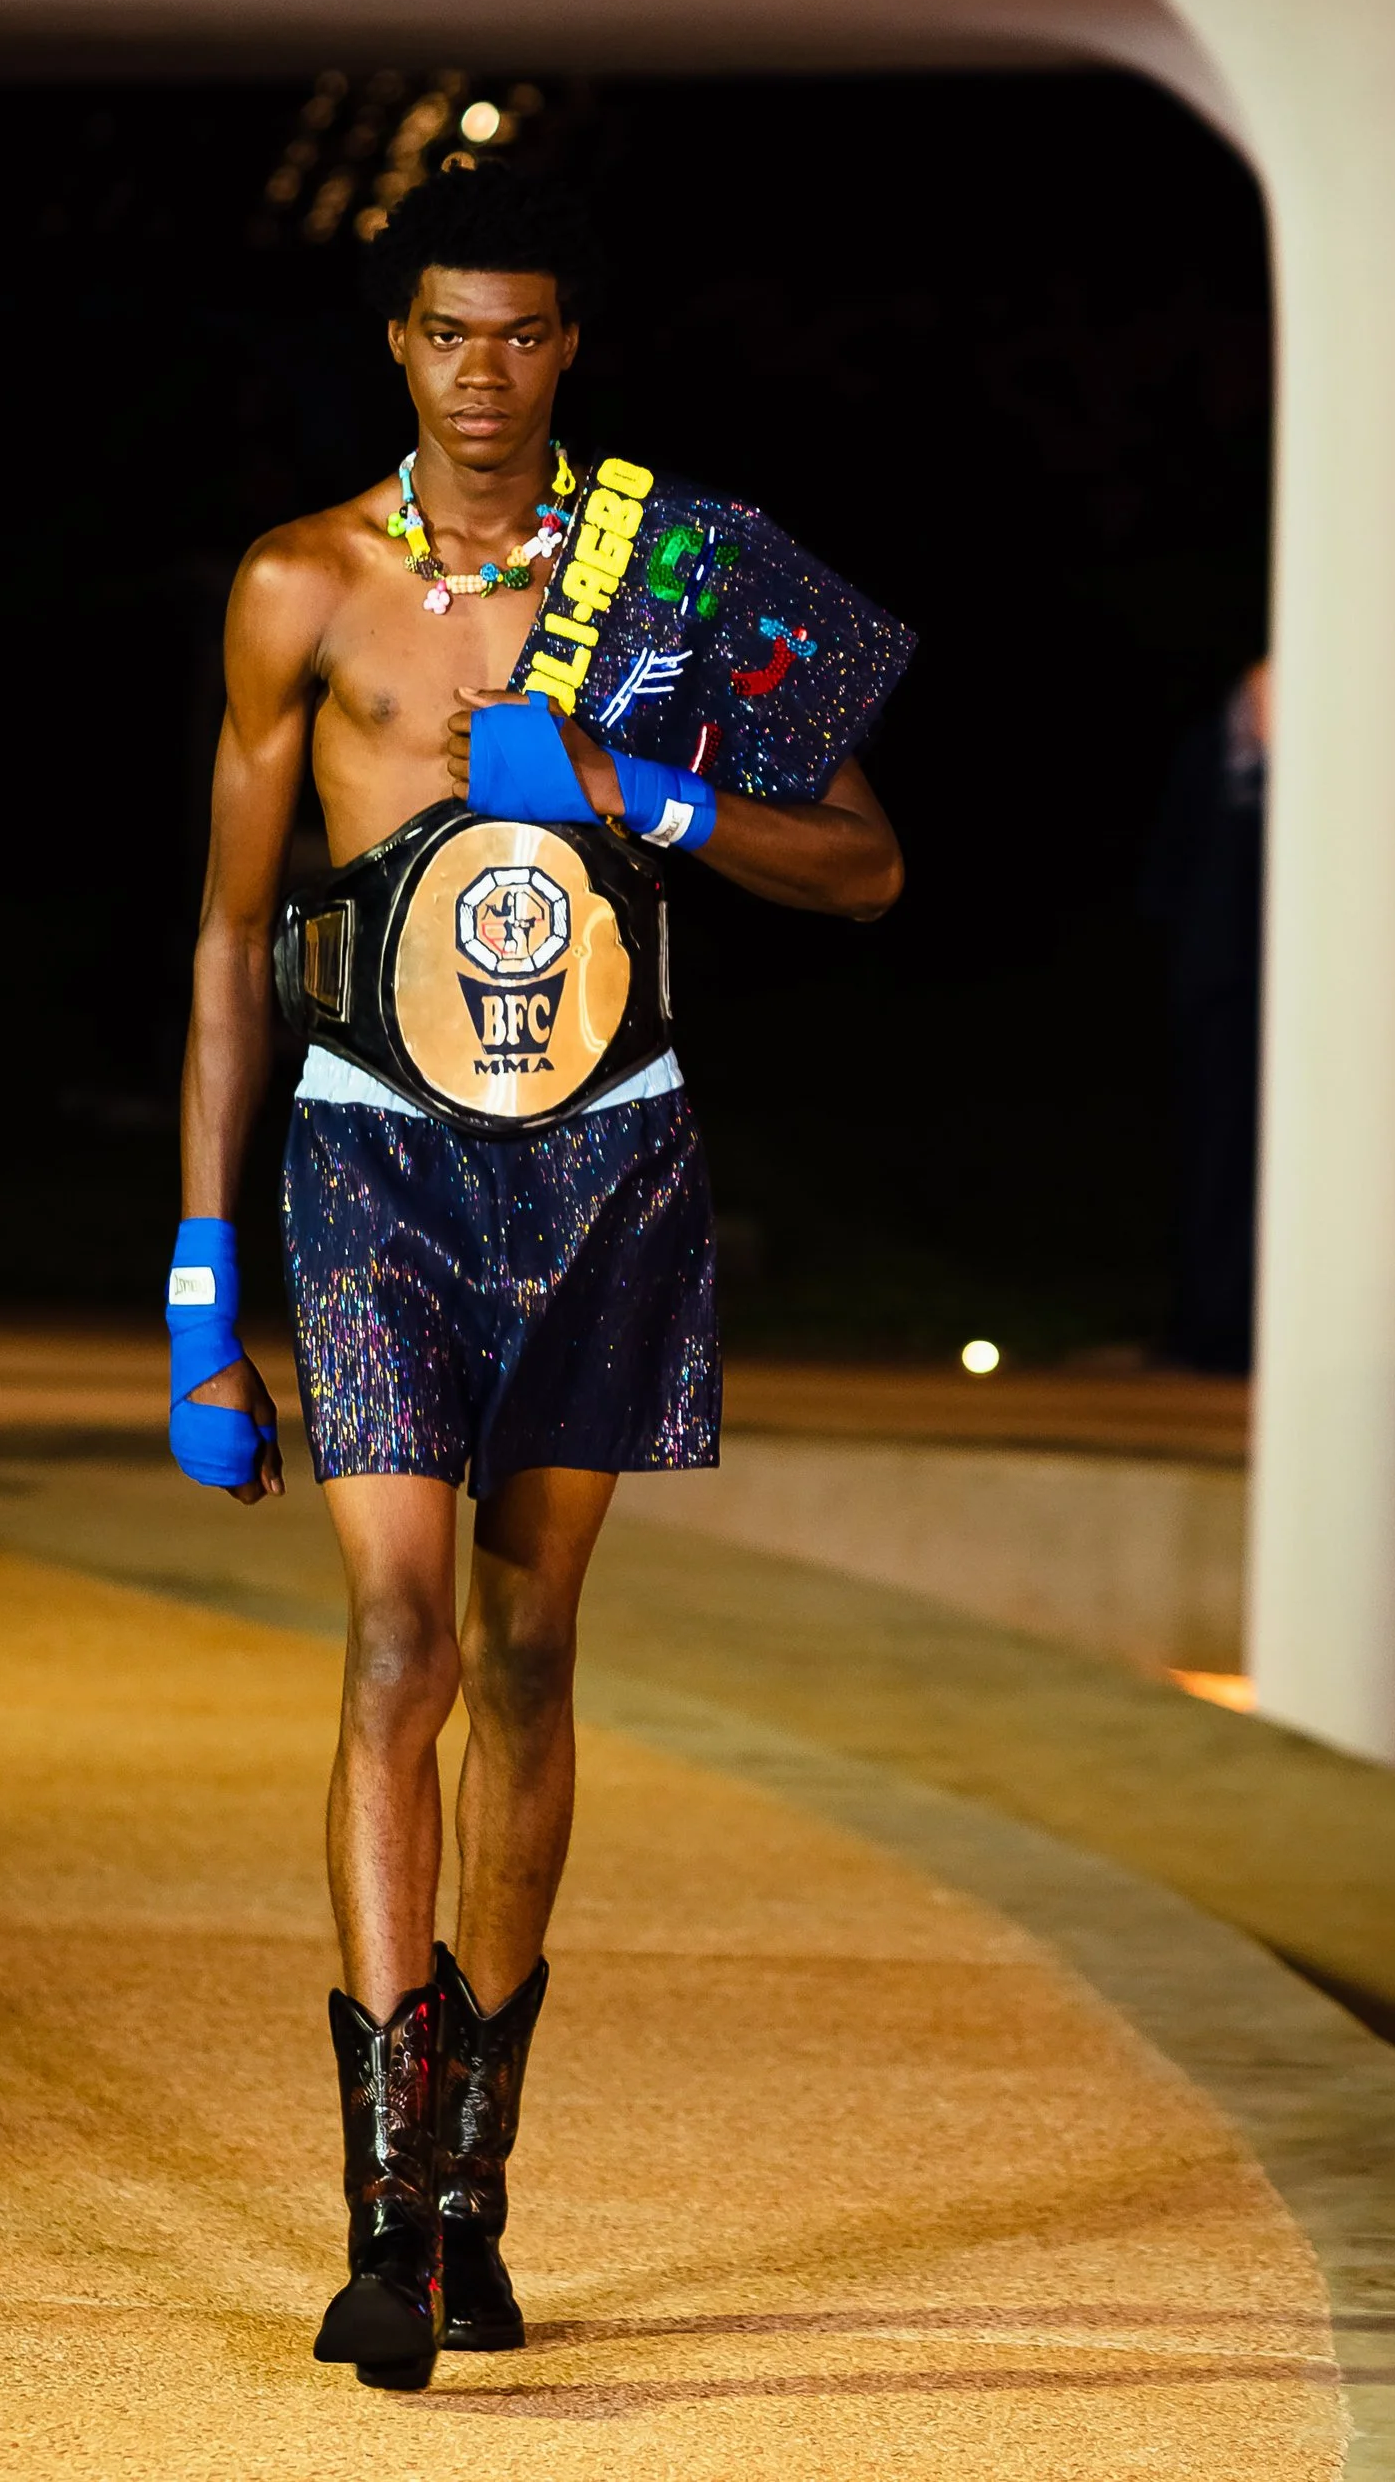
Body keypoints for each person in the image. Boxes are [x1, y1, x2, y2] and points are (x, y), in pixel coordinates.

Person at [167, 158, 911, 2390]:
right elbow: (221, 935)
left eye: (520, 333)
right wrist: (204, 1289)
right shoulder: (298, 584)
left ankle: (479, 2187)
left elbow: (867, 866)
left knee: (525, 1644)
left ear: (565, 346)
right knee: (392, 1629)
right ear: (391, 343)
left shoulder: (671, 572)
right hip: (370, 1152)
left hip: (607, 1164)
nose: (480, 373)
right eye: (441, 331)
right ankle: (384, 2209)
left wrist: (630, 783)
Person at [1137, 657, 1269, 1378]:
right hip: (1215, 987)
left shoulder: (1322, 762)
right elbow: (1167, 869)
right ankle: (1207, 1326)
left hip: (1299, 992)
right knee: (1213, 1159)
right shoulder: (1207, 753)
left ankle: (1263, 1324)